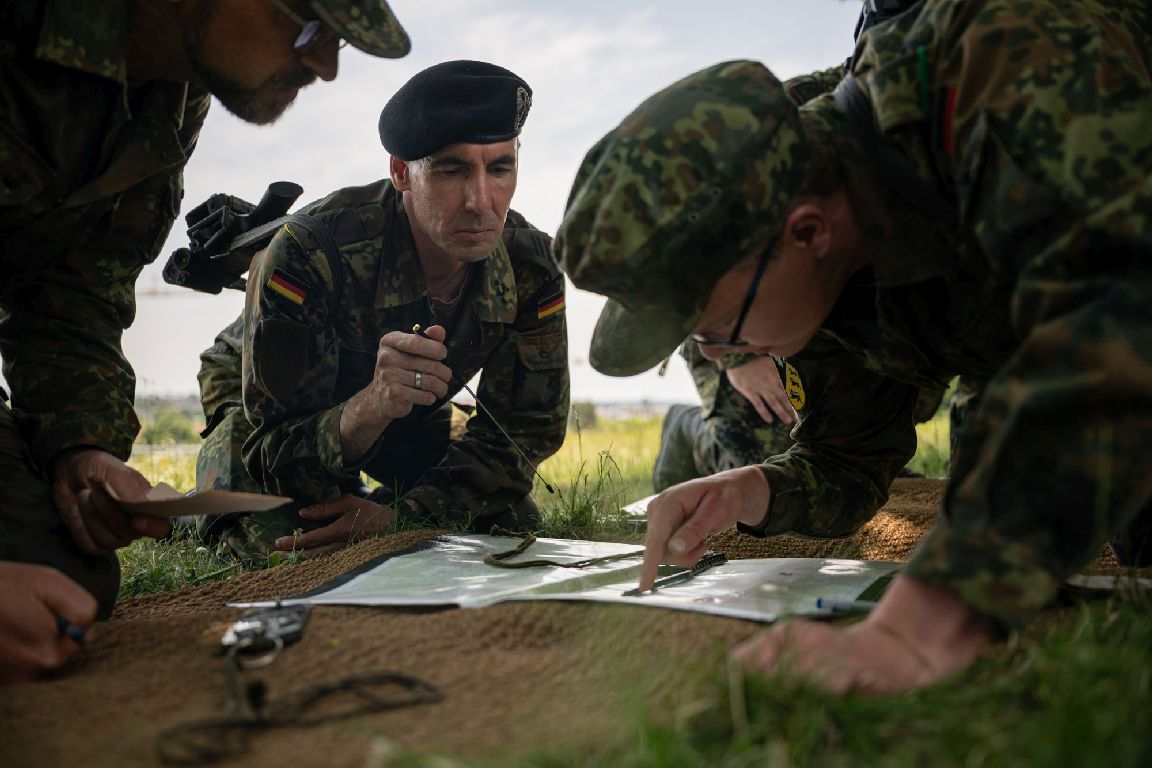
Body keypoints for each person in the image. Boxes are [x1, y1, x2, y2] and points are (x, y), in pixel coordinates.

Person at [557, 0, 1151, 693]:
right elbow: (849, 457)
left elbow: (1116, 329)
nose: (720, 357)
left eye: (716, 332)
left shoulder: (1013, 63)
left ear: (807, 233)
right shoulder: (818, 266)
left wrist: (917, 628)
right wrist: (750, 490)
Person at [0, 0, 411, 662]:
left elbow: (71, 291)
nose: (327, 67)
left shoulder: (165, 99)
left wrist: (80, 449)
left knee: (68, 580)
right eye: (311, 28)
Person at [194, 60, 569, 559]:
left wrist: (403, 518)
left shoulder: (531, 265)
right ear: (401, 172)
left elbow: (524, 433)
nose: (482, 201)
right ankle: (208, 507)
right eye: (452, 170)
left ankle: (370, 500)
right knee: (286, 549)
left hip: (410, 412)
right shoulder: (309, 252)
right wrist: (369, 406)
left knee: (507, 523)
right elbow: (274, 450)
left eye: (500, 168)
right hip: (267, 417)